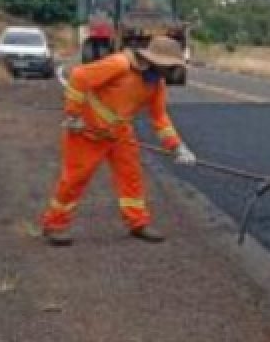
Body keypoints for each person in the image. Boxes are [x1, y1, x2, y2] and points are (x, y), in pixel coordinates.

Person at [41, 37, 196, 246]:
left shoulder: (156, 83)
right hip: (88, 131)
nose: (170, 73)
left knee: (131, 176)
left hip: (120, 132)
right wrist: (73, 115)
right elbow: (79, 77)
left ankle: (138, 222)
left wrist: (177, 146)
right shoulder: (119, 64)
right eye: (169, 67)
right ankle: (54, 225)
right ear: (155, 61)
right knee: (75, 179)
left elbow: (159, 117)